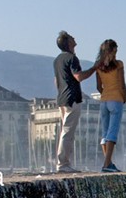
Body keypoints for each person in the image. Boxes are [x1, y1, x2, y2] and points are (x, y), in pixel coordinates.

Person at [54, 31, 98, 173]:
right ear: (68, 43)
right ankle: (63, 164)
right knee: (68, 132)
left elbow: (56, 81)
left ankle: (65, 163)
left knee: (65, 131)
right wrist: (93, 68)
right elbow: (78, 76)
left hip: (61, 98)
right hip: (72, 98)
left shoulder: (57, 60)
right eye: (72, 37)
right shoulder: (72, 58)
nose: (75, 38)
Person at [94, 38, 126, 172]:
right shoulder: (119, 64)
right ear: (113, 51)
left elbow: (98, 86)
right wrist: (123, 98)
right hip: (116, 100)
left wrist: (105, 94)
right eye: (116, 50)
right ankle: (106, 165)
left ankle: (108, 163)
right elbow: (122, 85)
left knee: (105, 132)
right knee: (112, 133)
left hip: (104, 101)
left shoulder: (98, 66)